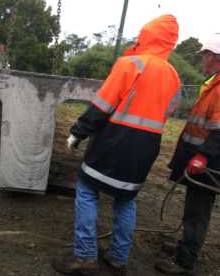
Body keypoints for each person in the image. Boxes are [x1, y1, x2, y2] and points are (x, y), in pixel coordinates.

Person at [51, 15, 181, 276]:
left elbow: (103, 105)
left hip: (114, 141)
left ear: (146, 35)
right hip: (146, 147)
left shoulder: (130, 63)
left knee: (87, 189)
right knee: (126, 199)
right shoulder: (175, 78)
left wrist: (78, 132)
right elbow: (164, 114)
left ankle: (85, 256)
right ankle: (118, 258)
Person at [155, 33, 220, 275]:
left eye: (204, 55)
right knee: (194, 207)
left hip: (210, 164)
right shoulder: (216, 83)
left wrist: (202, 156)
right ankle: (185, 246)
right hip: (207, 161)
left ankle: (184, 262)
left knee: (198, 211)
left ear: (213, 57)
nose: (201, 60)